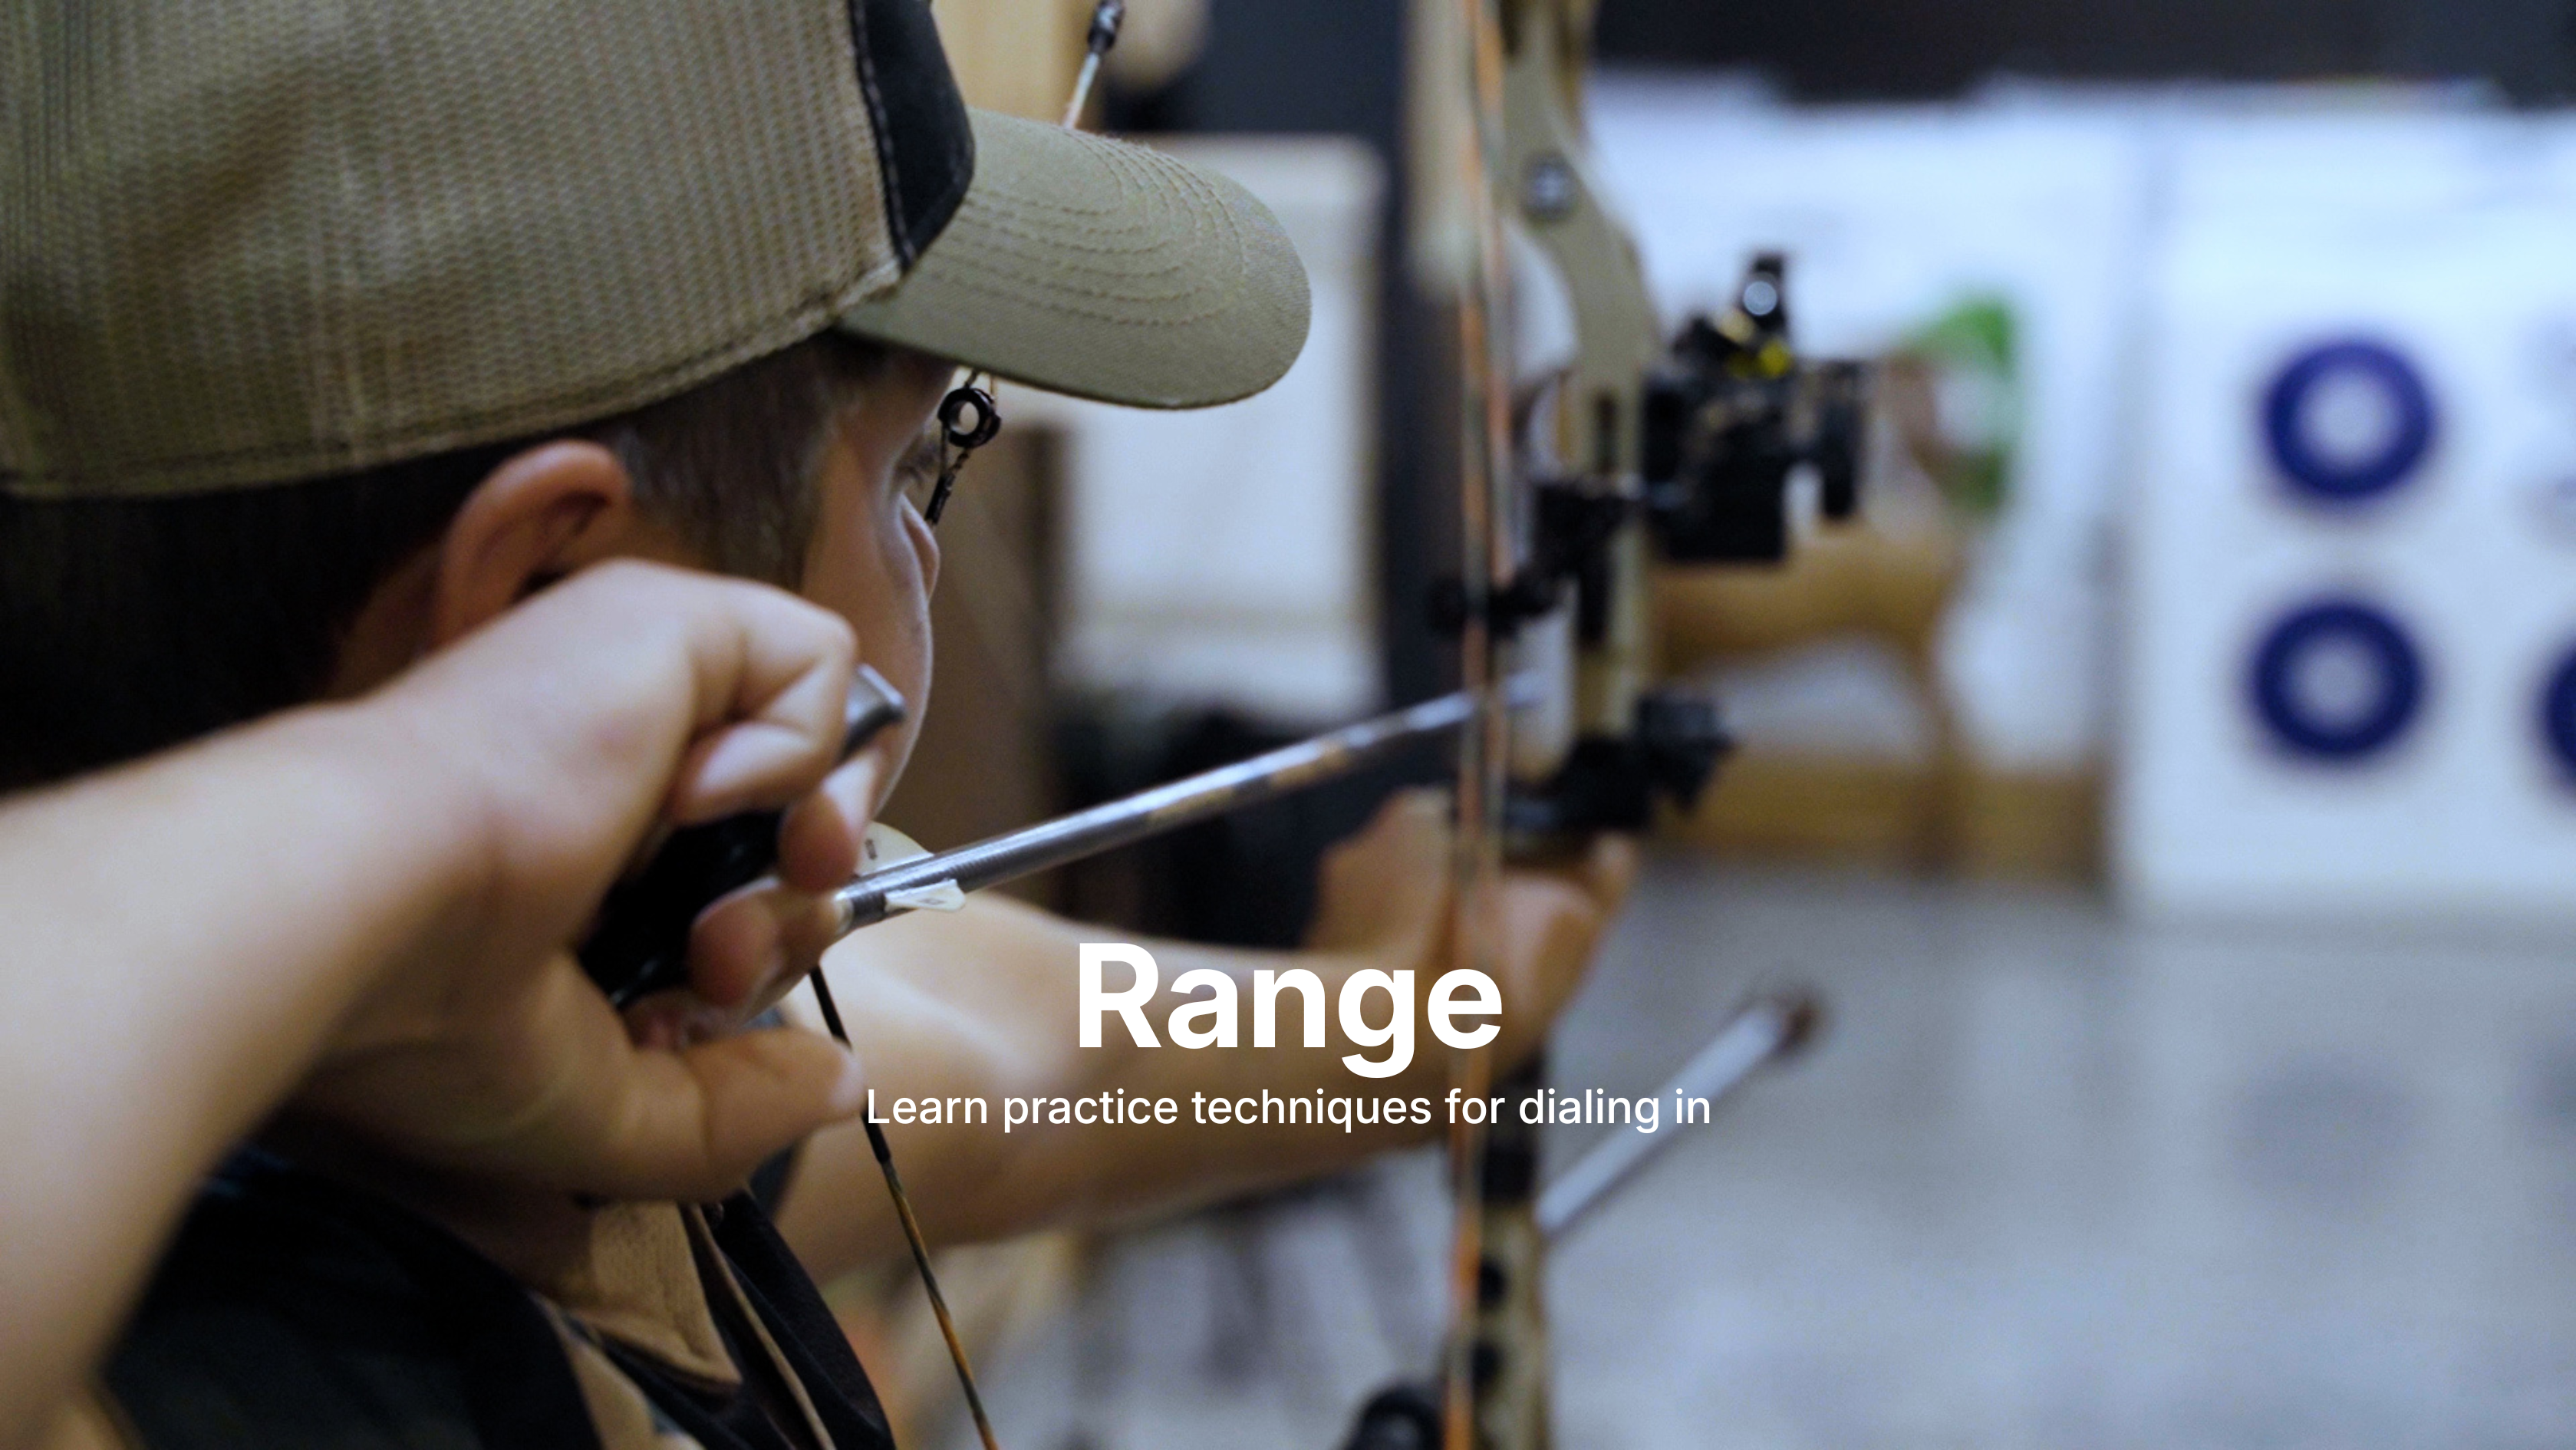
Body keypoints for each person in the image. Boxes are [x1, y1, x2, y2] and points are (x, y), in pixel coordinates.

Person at [4, 3, 1626, 1448]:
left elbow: (1024, 1053)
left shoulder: (520, 1090)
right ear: (552, 607)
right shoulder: (191, 1365)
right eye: (915, 465)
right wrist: (407, 802)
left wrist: (1405, 1021)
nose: (929, 547)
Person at [0, 564, 882, 1450]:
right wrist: (422, 805)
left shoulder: (573, 1085)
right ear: (523, 582)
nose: (921, 556)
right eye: (904, 494)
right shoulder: (234, 1359)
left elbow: (966, 1047)